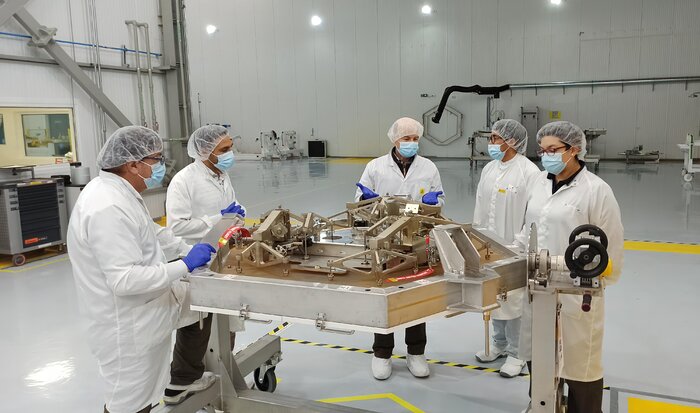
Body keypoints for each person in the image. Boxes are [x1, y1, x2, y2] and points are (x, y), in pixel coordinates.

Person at [67, 126, 217, 413]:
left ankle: (185, 378)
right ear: (133, 164)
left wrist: (187, 251)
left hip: (149, 304)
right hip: (127, 325)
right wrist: (184, 265)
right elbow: (124, 280)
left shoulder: (120, 192)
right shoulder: (106, 207)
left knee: (204, 301)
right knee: (131, 405)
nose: (161, 166)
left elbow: (152, 233)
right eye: (156, 159)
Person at [518, 121, 624, 413]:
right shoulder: (538, 182)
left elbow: (611, 246)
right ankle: (542, 403)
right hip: (537, 287)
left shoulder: (597, 191)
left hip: (577, 292)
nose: (546, 155)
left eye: (553, 150)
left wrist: (597, 276)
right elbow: (527, 230)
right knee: (539, 356)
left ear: (574, 149)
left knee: (580, 365)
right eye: (542, 150)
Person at [354, 117, 445, 380]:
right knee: (384, 294)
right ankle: (382, 353)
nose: (411, 143)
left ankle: (416, 352)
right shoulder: (375, 167)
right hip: (382, 240)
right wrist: (365, 199)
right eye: (406, 139)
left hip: (416, 239)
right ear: (395, 140)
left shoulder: (428, 167)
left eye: (415, 138)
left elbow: (440, 197)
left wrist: (433, 200)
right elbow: (359, 198)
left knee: (415, 295)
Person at [472, 119, 539, 378]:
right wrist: (475, 238)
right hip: (488, 246)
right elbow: (480, 204)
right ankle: (498, 344)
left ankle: (517, 352)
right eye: (490, 138)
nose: (491, 143)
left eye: (495, 138)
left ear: (512, 141)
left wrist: (519, 244)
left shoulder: (528, 172)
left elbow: (532, 215)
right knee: (493, 296)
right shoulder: (489, 168)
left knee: (514, 301)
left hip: (514, 247)